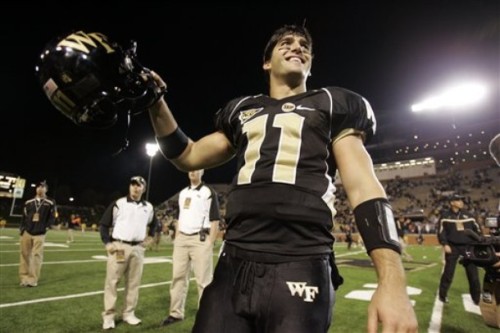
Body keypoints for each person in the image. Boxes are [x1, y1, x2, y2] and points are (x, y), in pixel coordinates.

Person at [147, 24, 417, 332]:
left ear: (310, 63)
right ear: (266, 62)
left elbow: (362, 185)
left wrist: (392, 280)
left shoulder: (331, 103)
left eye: (304, 45)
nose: (297, 47)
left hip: (301, 259)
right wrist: (155, 102)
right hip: (233, 262)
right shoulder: (242, 110)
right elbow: (188, 155)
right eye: (285, 43)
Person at [162, 169, 221, 326]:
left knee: (204, 281)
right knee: (178, 278)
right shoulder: (183, 193)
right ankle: (175, 313)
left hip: (200, 239)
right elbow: (181, 216)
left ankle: (205, 316)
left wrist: (210, 242)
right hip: (182, 239)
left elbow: (215, 219)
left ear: (202, 172)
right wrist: (179, 235)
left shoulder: (209, 192)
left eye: (197, 169)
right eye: (191, 168)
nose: (193, 171)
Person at [99, 176, 159, 330]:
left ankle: (128, 313)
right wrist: (107, 243)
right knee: (112, 282)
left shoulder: (149, 207)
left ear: (143, 189)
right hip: (119, 246)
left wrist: (150, 237)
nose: (135, 188)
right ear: (129, 187)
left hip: (138, 248)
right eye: (133, 185)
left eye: (139, 186)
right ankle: (109, 316)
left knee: (133, 283)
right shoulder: (119, 203)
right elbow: (104, 224)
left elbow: (154, 224)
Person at [437, 193, 481, 304]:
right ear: (452, 203)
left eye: (462, 200)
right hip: (452, 247)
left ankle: (476, 298)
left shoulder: (469, 215)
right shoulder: (445, 216)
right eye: (458, 200)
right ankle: (442, 296)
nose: (461, 202)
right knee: (448, 273)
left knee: (473, 274)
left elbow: (478, 230)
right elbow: (441, 232)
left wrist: (476, 244)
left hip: (468, 247)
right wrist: (445, 244)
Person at [19, 180, 57, 287]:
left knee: (36, 256)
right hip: (27, 231)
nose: (40, 188)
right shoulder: (29, 202)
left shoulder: (50, 202)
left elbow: (52, 217)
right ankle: (24, 278)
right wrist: (22, 229)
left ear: (46, 189)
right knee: (25, 255)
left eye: (43, 187)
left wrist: (46, 227)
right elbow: (24, 217)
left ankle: (32, 279)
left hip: (40, 233)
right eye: (38, 187)